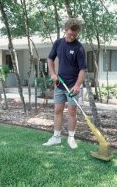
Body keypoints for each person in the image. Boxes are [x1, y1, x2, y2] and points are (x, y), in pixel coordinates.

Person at [42, 18, 87, 149]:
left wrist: (78, 85)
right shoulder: (58, 43)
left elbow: (83, 69)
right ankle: (56, 137)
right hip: (60, 84)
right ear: (65, 30)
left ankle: (71, 138)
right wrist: (53, 74)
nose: (72, 37)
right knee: (57, 110)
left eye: (75, 34)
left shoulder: (79, 48)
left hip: (73, 87)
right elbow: (50, 59)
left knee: (72, 112)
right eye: (69, 34)